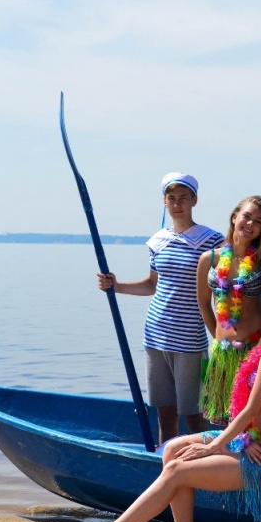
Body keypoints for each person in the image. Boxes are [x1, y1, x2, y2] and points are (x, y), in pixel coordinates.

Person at [65, 292, 261, 522]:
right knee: (172, 449)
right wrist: (242, 441)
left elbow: (249, 411)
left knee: (176, 470)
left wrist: (212, 448)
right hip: (249, 443)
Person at [97, 172, 223, 444]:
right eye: (172, 198)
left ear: (194, 200)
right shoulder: (157, 241)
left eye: (183, 198)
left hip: (189, 339)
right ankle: (165, 460)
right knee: (165, 412)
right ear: (164, 201)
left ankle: (203, 461)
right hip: (155, 336)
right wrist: (116, 286)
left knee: (194, 414)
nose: (177, 204)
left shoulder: (213, 240)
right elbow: (152, 284)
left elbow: (225, 285)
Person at [195, 195, 261, 423]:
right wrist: (218, 337)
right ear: (234, 217)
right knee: (222, 419)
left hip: (253, 349)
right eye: (246, 216)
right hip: (221, 353)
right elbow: (203, 304)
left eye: (258, 222)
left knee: (251, 420)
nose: (250, 224)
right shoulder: (209, 259)